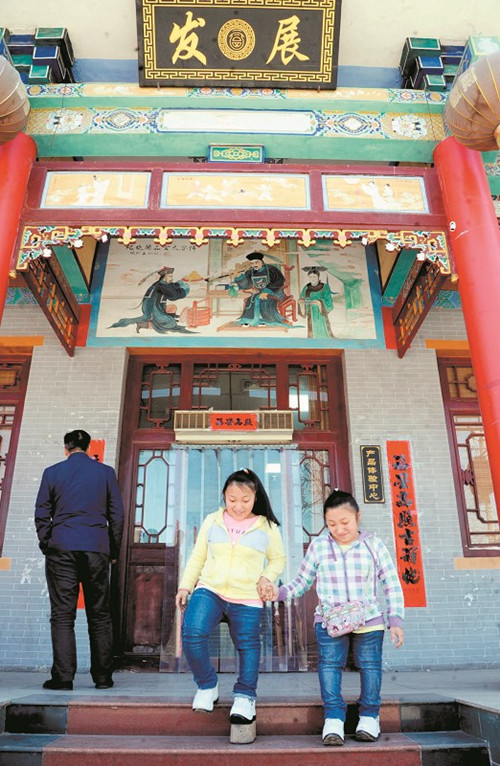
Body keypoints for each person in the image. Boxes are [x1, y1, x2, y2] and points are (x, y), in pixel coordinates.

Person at [266, 489, 404, 746]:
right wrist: (280, 591)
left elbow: (391, 583)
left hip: (369, 620)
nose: (339, 529)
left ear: (357, 518)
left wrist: (395, 619)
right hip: (330, 620)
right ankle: (333, 720)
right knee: (330, 666)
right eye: (331, 524)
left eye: (345, 523)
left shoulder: (373, 544)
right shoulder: (319, 545)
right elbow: (302, 581)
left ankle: (369, 718)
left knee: (370, 665)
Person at [175, 468, 286, 725]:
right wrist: (185, 586)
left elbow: (278, 559)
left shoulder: (267, 526)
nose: (238, 506)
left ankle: (245, 696)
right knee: (192, 632)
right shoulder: (212, 521)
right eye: (232, 499)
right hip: (210, 588)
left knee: (248, 646)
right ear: (224, 496)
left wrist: (266, 577)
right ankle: (207, 686)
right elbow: (198, 556)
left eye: (245, 500)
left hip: (247, 595)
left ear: (256, 497)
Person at [35, 429, 124, 691]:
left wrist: (48, 543)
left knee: (62, 615)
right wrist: (113, 551)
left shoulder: (52, 473)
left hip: (61, 547)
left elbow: (42, 512)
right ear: (88, 447)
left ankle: (63, 678)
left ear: (66, 448)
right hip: (96, 548)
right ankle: (103, 677)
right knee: (100, 615)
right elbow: (116, 516)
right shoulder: (105, 473)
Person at [110, 266, 193, 334]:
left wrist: (180, 282)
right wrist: (185, 289)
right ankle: (145, 324)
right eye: (170, 276)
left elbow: (171, 287)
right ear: (165, 276)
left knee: (173, 307)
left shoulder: (160, 284)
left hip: (155, 308)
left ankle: (164, 319)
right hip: (153, 311)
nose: (171, 279)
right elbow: (174, 296)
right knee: (172, 323)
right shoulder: (163, 285)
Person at [232, 252, 291, 327]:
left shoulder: (272, 269)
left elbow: (279, 282)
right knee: (251, 300)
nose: (254, 265)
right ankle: (249, 319)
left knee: (265, 300)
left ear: (262, 262)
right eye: (252, 263)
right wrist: (240, 277)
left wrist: (267, 292)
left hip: (275, 291)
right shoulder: (250, 272)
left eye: (256, 262)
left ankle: (268, 320)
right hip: (259, 293)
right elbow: (247, 285)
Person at [298, 266, 337, 338]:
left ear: (318, 277)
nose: (312, 279)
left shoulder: (324, 287)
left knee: (323, 331)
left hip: (320, 312)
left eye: (314, 277)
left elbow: (328, 301)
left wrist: (319, 302)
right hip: (310, 312)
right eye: (310, 277)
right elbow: (301, 298)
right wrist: (301, 302)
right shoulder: (306, 287)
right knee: (312, 333)